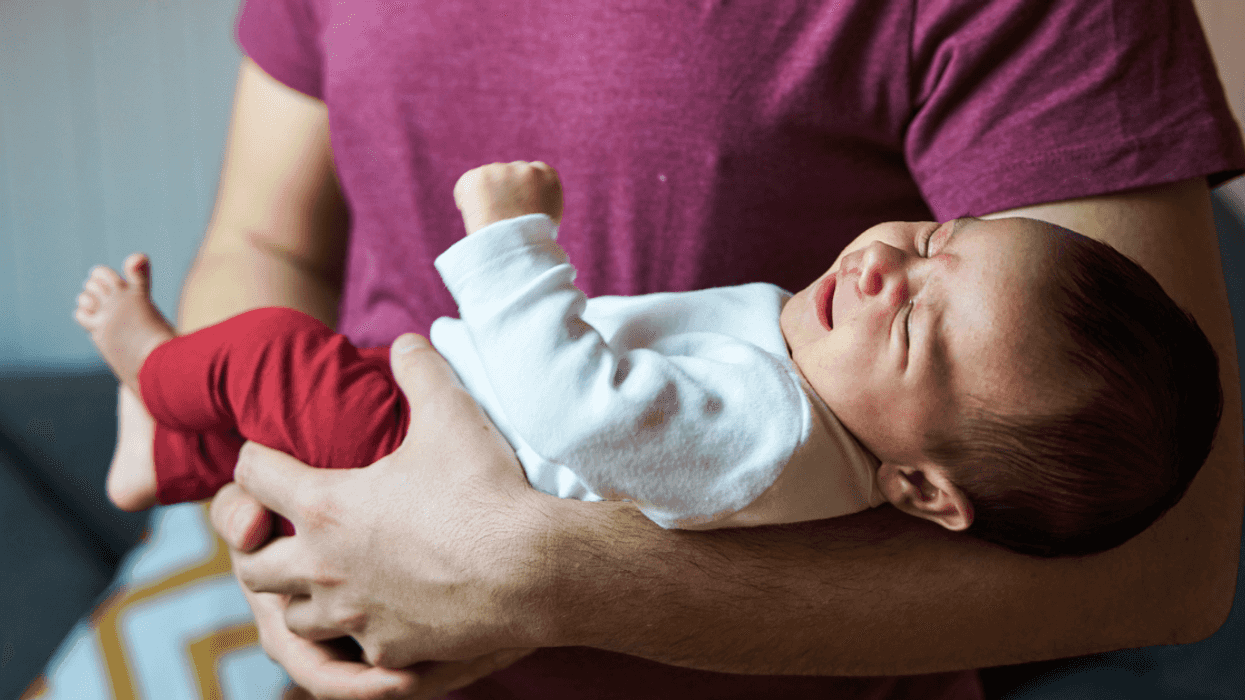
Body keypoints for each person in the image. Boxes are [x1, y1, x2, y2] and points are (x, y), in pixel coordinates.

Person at [109, 0, 1245, 698]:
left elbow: (1168, 556)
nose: (895, 268)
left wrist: (539, 577)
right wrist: (273, 522)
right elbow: (266, 242)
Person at [79, 160, 1221, 560]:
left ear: (924, 487)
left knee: (268, 354)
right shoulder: (815, 398)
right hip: (431, 423)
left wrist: (511, 241)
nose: (881, 268)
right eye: (931, 241)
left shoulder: (771, 428)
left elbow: (575, 411)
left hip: (414, 446)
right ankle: (167, 462)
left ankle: (149, 370)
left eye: (916, 327)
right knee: (261, 429)